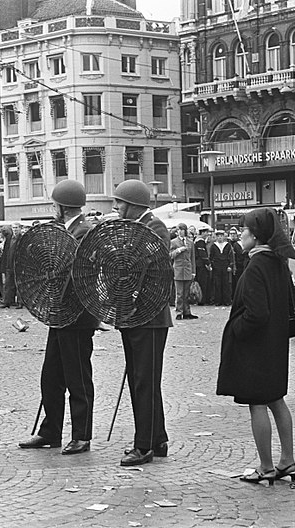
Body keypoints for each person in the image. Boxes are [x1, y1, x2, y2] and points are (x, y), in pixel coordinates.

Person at [217, 208, 295, 484]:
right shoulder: (278, 262)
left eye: (243, 230)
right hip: (275, 344)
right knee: (276, 399)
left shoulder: (256, 266)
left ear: (254, 235)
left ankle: (266, 467)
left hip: (256, 346)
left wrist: (235, 330)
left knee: (257, 404)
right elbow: (291, 303)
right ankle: (287, 460)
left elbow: (256, 313)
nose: (240, 234)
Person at [19, 180, 99, 455]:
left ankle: (82, 435)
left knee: (78, 377)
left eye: (54, 204)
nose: (53, 208)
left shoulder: (84, 231)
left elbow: (74, 269)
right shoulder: (65, 229)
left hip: (77, 315)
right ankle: (50, 431)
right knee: (51, 376)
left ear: (62, 206)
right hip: (59, 313)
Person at [112, 180, 171, 466]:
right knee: (142, 380)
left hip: (149, 317)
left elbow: (146, 266)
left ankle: (144, 445)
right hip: (134, 316)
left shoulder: (154, 227)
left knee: (145, 382)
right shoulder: (132, 228)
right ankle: (157, 438)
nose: (116, 208)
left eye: (120, 203)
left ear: (134, 205)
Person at [170, 223, 197, 320]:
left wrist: (193, 271)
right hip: (178, 269)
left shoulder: (190, 242)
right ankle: (179, 312)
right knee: (179, 293)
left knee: (187, 293)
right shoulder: (173, 242)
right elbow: (170, 255)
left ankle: (187, 312)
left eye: (183, 230)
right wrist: (178, 250)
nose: (181, 232)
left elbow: (192, 257)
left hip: (188, 270)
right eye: (179, 230)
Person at [209, 230, 235, 306]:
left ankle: (226, 301)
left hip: (225, 265)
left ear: (224, 237)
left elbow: (230, 256)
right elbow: (211, 256)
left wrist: (230, 265)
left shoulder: (228, 245)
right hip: (216, 266)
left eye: (221, 236)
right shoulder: (214, 246)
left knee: (226, 283)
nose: (220, 238)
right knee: (217, 283)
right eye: (218, 236)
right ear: (216, 237)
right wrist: (211, 264)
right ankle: (218, 301)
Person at [2, 223, 22, 308]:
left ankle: (20, 302)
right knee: (7, 284)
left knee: (18, 284)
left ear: (20, 228)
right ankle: (7, 302)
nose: (15, 229)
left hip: (18, 264)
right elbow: (5, 251)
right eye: (14, 228)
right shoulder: (9, 238)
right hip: (9, 264)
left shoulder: (22, 238)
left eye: (17, 228)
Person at [193, 227, 212, 305]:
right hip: (201, 265)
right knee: (203, 283)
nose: (207, 234)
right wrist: (207, 263)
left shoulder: (196, 240)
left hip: (198, 264)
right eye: (206, 232)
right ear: (203, 233)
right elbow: (202, 254)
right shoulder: (200, 241)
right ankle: (202, 300)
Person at [229, 227, 246, 299]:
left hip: (242, 265)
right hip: (234, 265)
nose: (232, 235)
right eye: (231, 234)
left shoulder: (240, 243)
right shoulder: (228, 243)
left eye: (234, 234)